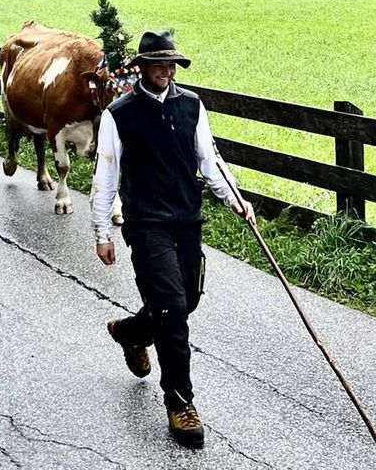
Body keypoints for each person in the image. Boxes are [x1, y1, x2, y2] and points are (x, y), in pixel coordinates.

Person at [91, 30, 254, 449]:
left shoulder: (191, 106)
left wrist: (237, 200)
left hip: (186, 219)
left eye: (172, 64)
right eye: (159, 63)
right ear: (142, 67)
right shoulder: (120, 114)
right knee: (171, 308)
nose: (167, 70)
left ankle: (131, 332)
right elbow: (107, 172)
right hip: (145, 224)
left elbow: (209, 159)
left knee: (186, 300)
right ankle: (180, 404)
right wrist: (102, 230)